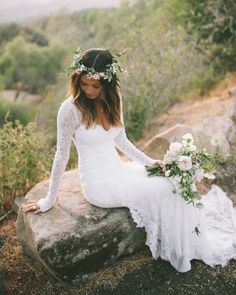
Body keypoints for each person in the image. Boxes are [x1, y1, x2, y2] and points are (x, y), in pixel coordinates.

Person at [22, 48, 236, 272]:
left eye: (96, 85)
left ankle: (188, 241)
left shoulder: (113, 99)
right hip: (99, 184)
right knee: (165, 190)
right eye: (84, 84)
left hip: (120, 170)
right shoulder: (70, 110)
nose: (89, 90)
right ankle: (180, 249)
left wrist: (150, 164)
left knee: (172, 181)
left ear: (109, 82)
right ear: (77, 79)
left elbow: (121, 141)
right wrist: (49, 198)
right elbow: (61, 154)